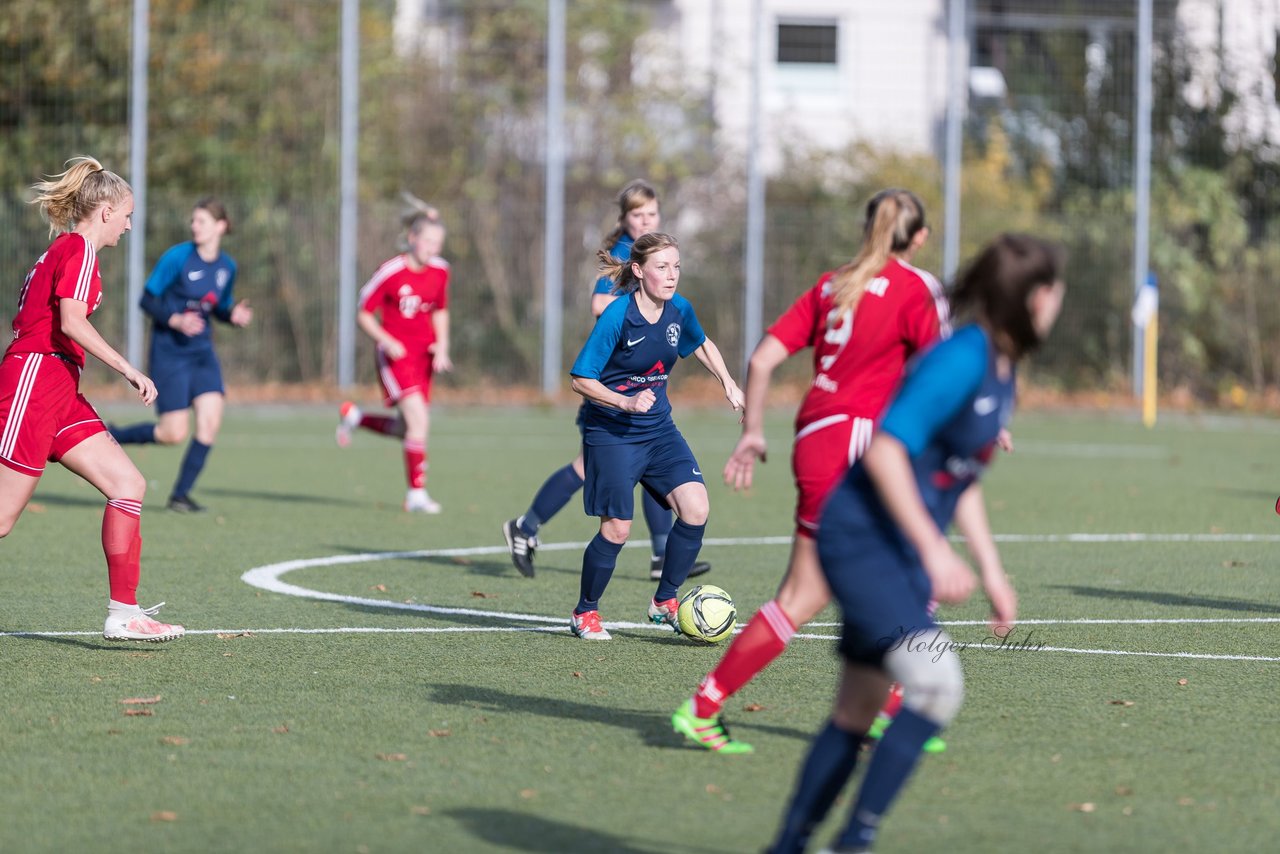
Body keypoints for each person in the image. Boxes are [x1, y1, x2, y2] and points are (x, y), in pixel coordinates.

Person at [768, 233, 1065, 853]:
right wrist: (934, 549)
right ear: (1033, 297)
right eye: (1054, 289)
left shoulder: (1003, 366)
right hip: (863, 539)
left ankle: (791, 844)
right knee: (936, 686)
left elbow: (963, 478)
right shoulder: (963, 358)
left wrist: (992, 570)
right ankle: (854, 841)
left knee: (856, 710)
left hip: (893, 546)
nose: (1058, 301)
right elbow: (886, 449)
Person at [671, 188, 950, 754]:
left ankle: (705, 707)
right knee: (915, 571)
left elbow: (763, 358)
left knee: (805, 592)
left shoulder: (832, 284)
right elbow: (938, 372)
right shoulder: (917, 289)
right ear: (918, 238)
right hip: (863, 445)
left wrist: (752, 430)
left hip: (816, 440)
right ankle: (892, 706)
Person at [0, 156, 185, 642]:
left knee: (128, 484)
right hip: (35, 383)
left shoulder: (69, 249)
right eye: (127, 215)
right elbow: (71, 323)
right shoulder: (79, 249)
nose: (128, 225)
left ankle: (123, 615)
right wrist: (128, 369)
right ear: (105, 211)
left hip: (60, 388)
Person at [502, 180, 711, 581]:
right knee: (587, 468)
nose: (645, 221)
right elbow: (599, 302)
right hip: (612, 383)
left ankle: (659, 554)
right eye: (638, 215)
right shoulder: (623, 255)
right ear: (625, 219)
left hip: (639, 385)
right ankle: (525, 527)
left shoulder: (656, 254)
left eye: (651, 214)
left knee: (652, 467)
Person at [566, 232, 743, 640]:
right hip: (611, 433)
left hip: (659, 430)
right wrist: (624, 403)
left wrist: (728, 383)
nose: (671, 275)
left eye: (677, 266)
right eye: (662, 267)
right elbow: (580, 379)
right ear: (638, 270)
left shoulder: (679, 309)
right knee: (617, 530)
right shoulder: (617, 316)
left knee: (696, 508)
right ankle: (584, 612)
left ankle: (664, 601)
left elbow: (701, 343)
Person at [109, 197, 252, 512]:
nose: (194, 226)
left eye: (201, 221)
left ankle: (180, 495)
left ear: (221, 226)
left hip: (202, 354)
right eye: (193, 221)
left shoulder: (227, 266)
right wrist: (175, 319)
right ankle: (114, 434)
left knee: (210, 422)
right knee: (172, 433)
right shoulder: (178, 258)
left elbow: (219, 307)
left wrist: (233, 316)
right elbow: (147, 301)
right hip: (169, 353)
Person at [336, 196, 452, 513]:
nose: (432, 248)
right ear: (412, 238)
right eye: (427, 241)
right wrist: (386, 340)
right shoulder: (391, 271)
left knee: (408, 428)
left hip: (423, 356)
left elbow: (440, 310)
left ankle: (356, 417)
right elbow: (363, 313)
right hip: (396, 356)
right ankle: (416, 494)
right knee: (419, 421)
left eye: (437, 243)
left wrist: (442, 345)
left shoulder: (441, 271)